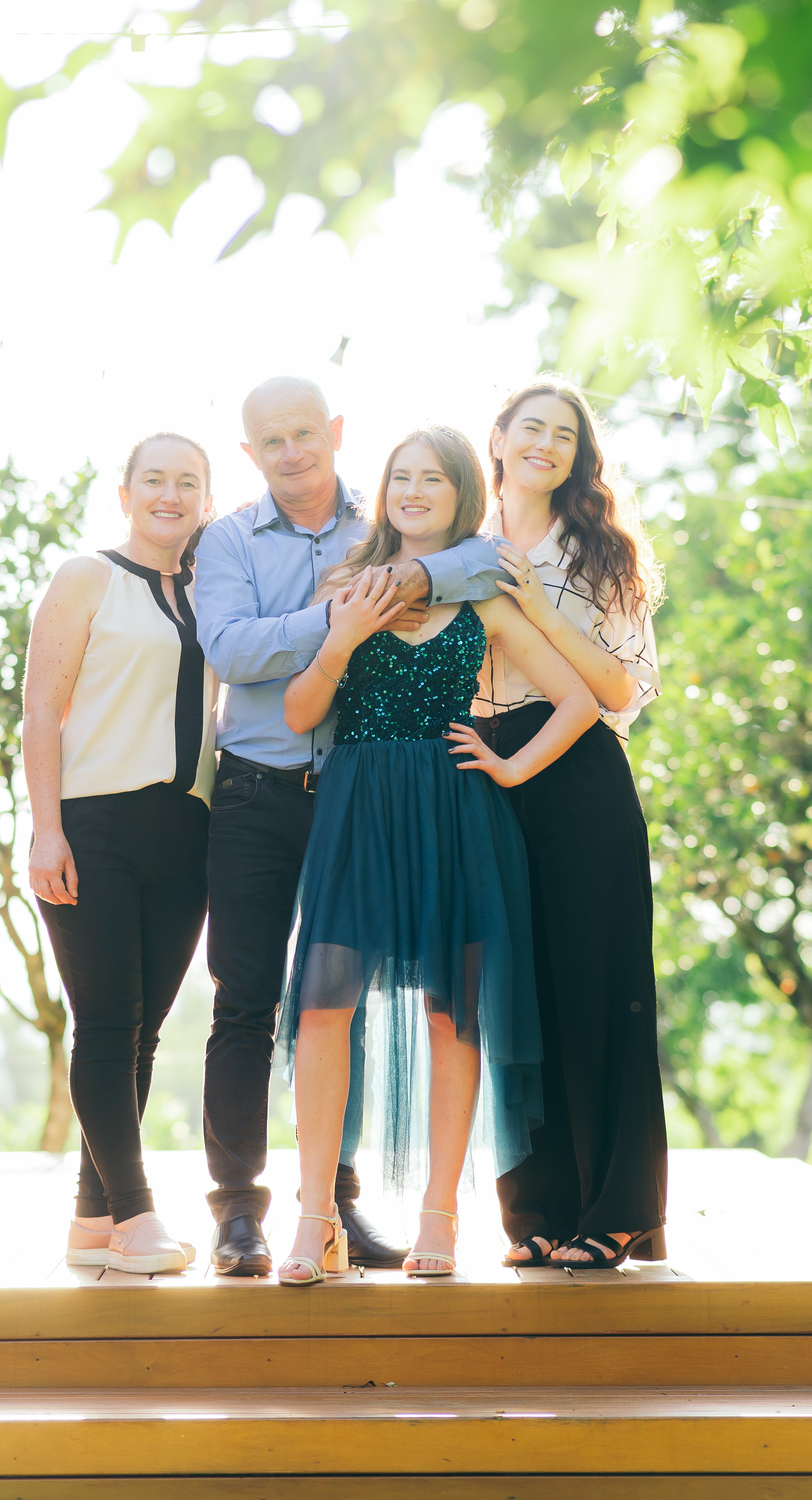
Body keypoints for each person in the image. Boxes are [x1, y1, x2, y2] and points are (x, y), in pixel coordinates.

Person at [193, 377, 510, 1277]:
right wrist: (341, 616)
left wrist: (409, 574)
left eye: (305, 432)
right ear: (250, 453)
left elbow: (479, 563)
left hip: (361, 797)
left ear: (334, 433)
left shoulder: (378, 527)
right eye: (271, 440)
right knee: (250, 999)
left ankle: (337, 1204)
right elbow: (231, 649)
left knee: (347, 1003)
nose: (292, 451)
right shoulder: (227, 540)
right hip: (259, 788)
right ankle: (242, 1213)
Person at [275, 426, 599, 1287]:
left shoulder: (486, 590)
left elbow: (577, 700)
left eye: (433, 480)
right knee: (320, 1011)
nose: (413, 491)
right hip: (359, 811)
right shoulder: (347, 581)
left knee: (452, 1016)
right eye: (401, 478)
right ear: (384, 492)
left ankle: (439, 1214)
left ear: (462, 494)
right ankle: (314, 1220)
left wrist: (509, 765)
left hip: (456, 811)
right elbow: (303, 712)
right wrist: (342, 638)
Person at [476, 379, 669, 1271]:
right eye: (532, 429)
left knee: (602, 986)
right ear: (501, 440)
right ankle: (538, 1214)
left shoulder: (603, 553)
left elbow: (623, 689)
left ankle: (619, 1211)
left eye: (565, 434)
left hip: (581, 768)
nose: (546, 444)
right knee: (515, 997)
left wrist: (546, 612)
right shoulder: (457, 545)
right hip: (481, 769)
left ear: (578, 454)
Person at [23, 432, 218, 1275]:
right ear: (125, 491)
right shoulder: (86, 577)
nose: (170, 495)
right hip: (93, 823)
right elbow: (41, 707)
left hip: (187, 833)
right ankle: (138, 1219)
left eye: (188, 483)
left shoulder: (215, 592)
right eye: (155, 480)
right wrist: (45, 826)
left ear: (205, 500)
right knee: (106, 1025)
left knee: (142, 1036)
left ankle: (91, 1223)